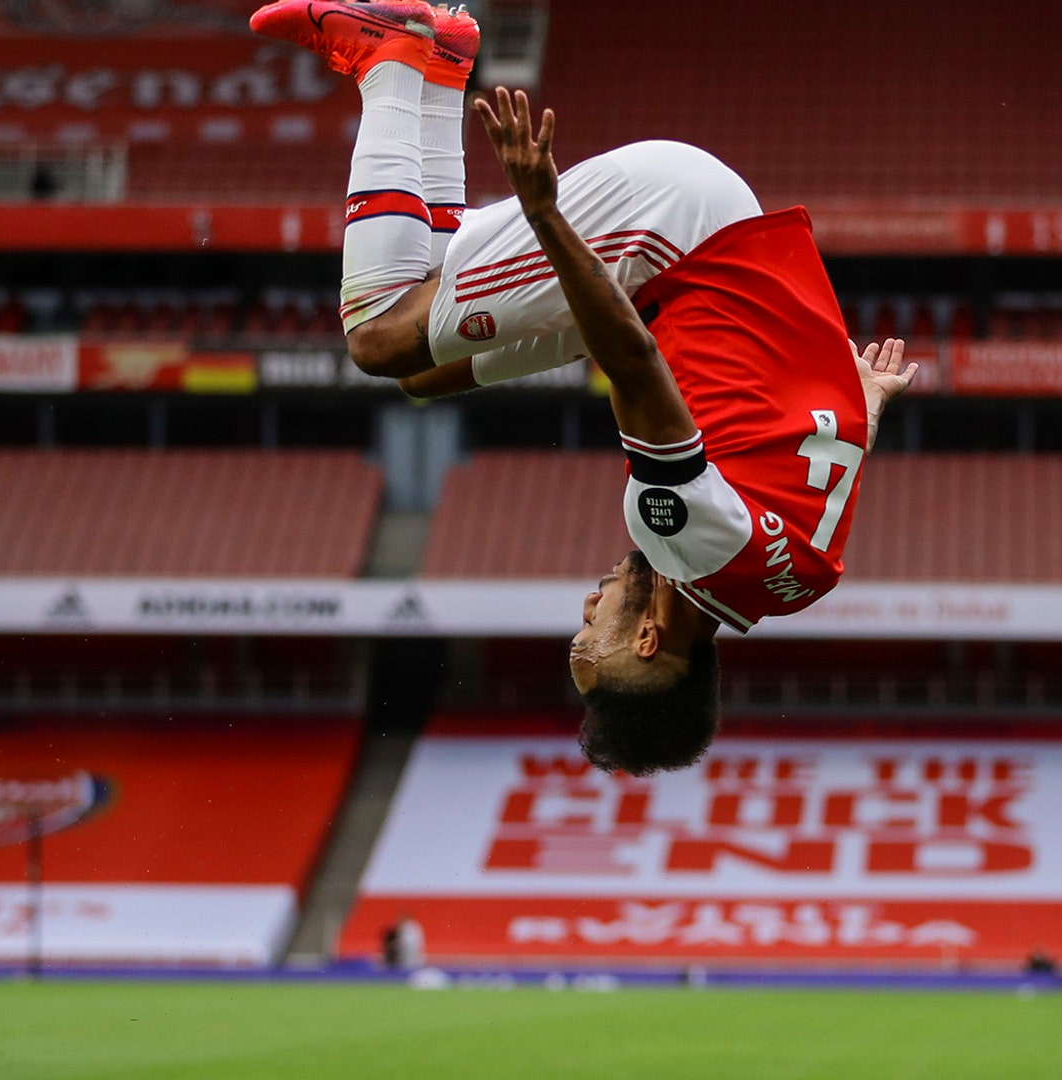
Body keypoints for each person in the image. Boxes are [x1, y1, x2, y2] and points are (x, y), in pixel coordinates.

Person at [251, 1, 915, 775]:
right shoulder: (678, 535)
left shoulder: (792, 590)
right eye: (588, 635)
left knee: (425, 373)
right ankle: (393, 64)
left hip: (688, 264)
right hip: (665, 235)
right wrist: (545, 213)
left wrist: (864, 401)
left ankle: (439, 67)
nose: (588, 610)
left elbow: (829, 475)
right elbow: (630, 361)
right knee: (377, 334)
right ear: (646, 641)